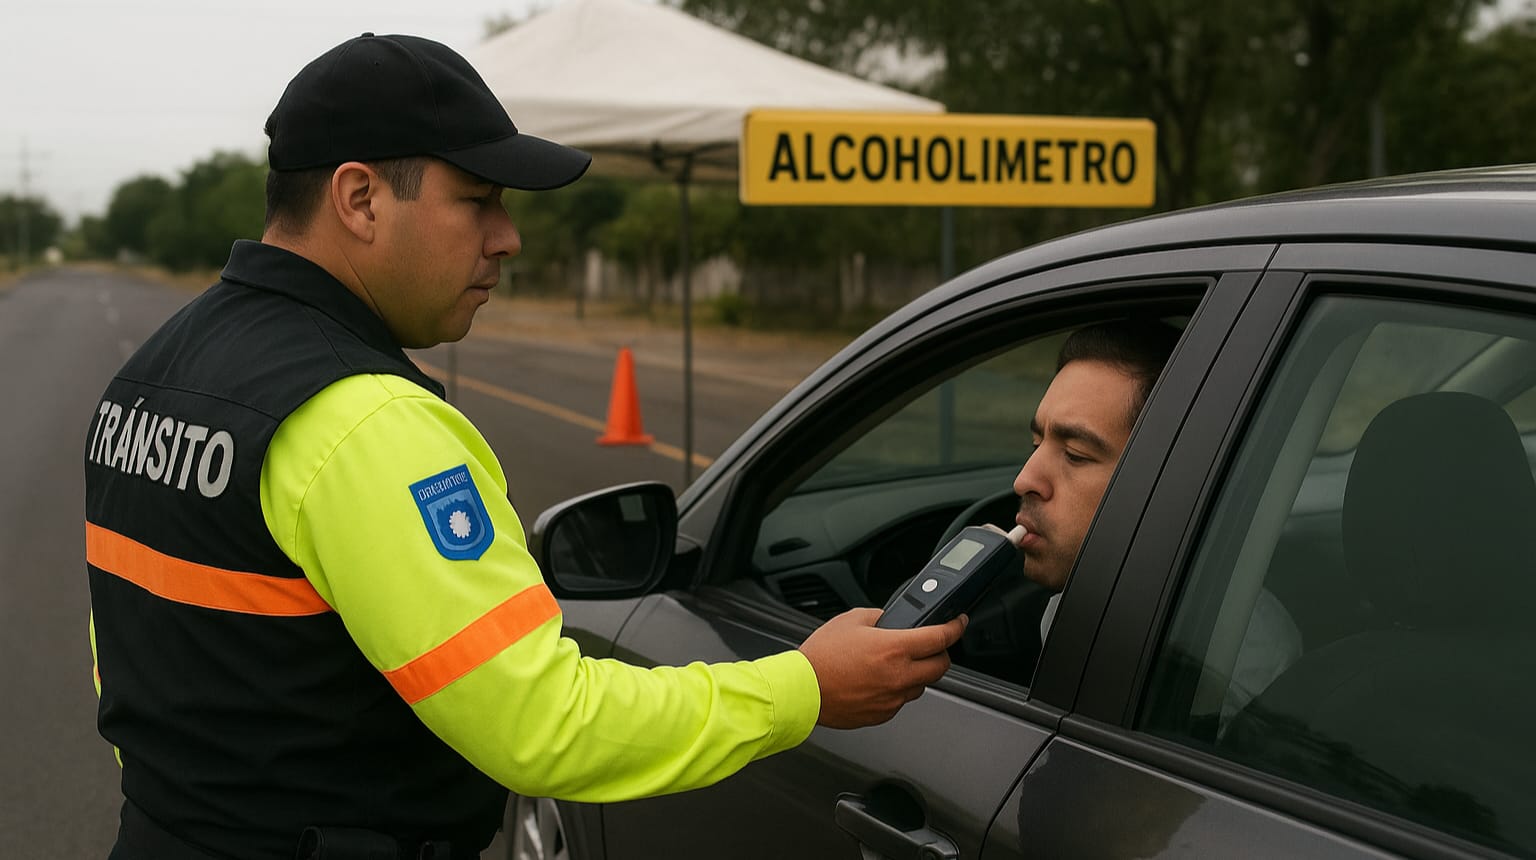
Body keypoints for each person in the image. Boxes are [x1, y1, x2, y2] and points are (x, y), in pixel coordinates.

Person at [83, 33, 965, 860]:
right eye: (478, 201)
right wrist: (804, 689)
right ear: (359, 199)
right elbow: (544, 722)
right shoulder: (362, 417)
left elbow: (135, 675)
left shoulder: (150, 377)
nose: (508, 238)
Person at [1011, 318, 1300, 718]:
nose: (1024, 479)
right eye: (1036, 443)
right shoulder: (1071, 605)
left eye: (1076, 454)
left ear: (1166, 477)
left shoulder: (1237, 650)